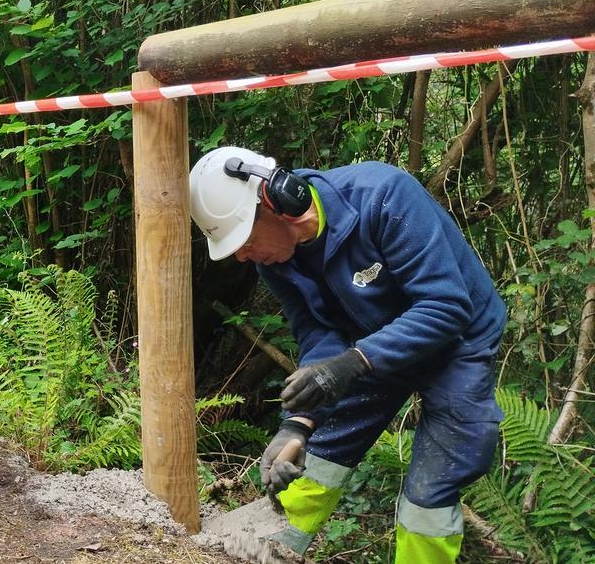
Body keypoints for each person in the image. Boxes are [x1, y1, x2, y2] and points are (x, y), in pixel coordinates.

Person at [189, 146, 506, 564]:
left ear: (277, 201)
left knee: (429, 491)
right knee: (320, 456)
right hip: (371, 343)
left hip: (457, 344)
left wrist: (353, 363)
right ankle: (265, 551)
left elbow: (445, 307)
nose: (243, 256)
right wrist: (298, 425)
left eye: (245, 239)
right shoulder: (276, 262)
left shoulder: (383, 196)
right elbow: (318, 332)